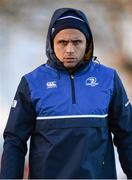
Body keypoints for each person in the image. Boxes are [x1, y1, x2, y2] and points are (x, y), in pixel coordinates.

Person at [0, 7, 132, 179]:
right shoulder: (32, 83)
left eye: (77, 42)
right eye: (62, 42)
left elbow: (127, 135)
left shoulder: (109, 79)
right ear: (52, 43)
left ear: (87, 43)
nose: (69, 49)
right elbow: (14, 141)